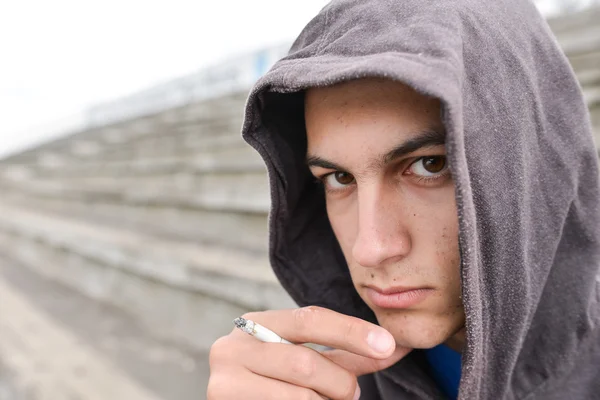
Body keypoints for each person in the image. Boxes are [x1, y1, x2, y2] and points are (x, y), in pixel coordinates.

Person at [207, 0, 600, 399]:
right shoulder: (322, 382)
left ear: (532, 165)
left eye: (430, 165)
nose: (369, 248)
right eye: (339, 178)